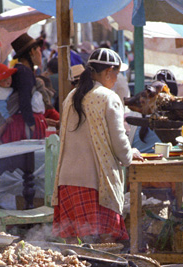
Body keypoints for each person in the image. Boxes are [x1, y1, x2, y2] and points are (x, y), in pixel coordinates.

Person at [52, 48, 143, 244]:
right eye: (116, 74)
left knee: (74, 250)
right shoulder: (108, 97)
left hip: (67, 182)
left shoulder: (71, 96)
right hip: (96, 184)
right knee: (104, 246)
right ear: (109, 72)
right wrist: (130, 154)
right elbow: (121, 145)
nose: (116, 79)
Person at [0, 34, 48, 145]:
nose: (40, 53)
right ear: (32, 52)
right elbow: (24, 102)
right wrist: (33, 127)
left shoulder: (19, 70)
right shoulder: (24, 73)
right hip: (19, 127)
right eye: (39, 50)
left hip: (13, 124)